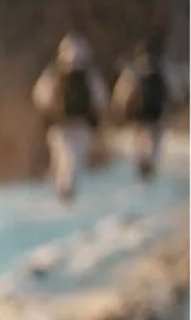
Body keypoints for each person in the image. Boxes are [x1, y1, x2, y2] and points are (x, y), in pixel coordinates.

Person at [31, 32, 106, 203]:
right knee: (76, 158)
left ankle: (62, 188)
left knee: (62, 156)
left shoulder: (54, 73)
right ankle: (69, 189)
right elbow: (100, 98)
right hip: (82, 124)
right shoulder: (89, 75)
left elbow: (39, 95)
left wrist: (49, 111)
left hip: (59, 123)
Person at [112, 31, 177, 181]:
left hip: (138, 117)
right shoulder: (161, 69)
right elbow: (171, 92)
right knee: (154, 144)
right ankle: (151, 169)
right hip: (156, 115)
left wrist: (119, 112)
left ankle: (141, 168)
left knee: (140, 143)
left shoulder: (132, 71)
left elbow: (122, 95)